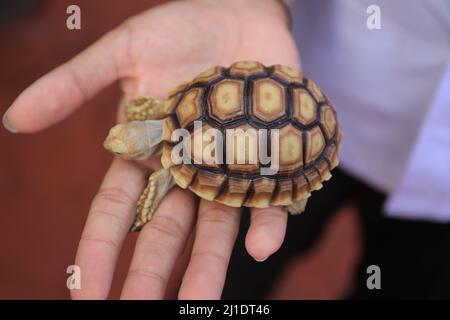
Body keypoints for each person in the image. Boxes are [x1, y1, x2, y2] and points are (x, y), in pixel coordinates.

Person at [3, 0, 450, 299]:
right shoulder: (172, 113)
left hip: (436, 188)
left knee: (406, 280)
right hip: (333, 74)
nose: (117, 143)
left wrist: (144, 210)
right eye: (125, 138)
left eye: (123, 139)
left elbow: (161, 179)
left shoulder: (169, 157)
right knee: (235, 273)